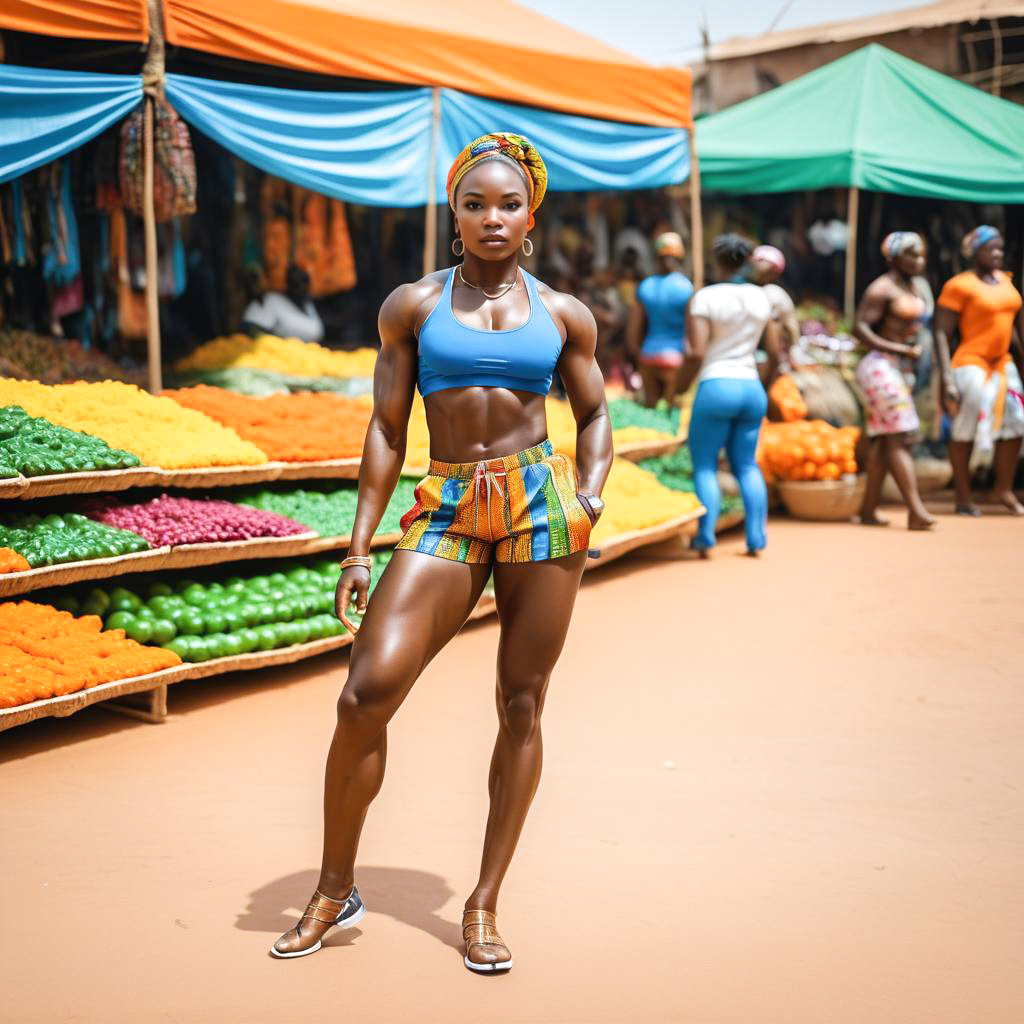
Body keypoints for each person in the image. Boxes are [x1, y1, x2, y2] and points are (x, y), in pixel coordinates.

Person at [270, 133, 613, 973]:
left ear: (530, 214)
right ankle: (333, 885)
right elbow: (387, 428)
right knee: (365, 692)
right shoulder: (413, 307)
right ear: (453, 214)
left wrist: (591, 497)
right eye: (474, 203)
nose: (492, 218)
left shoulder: (565, 312)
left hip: (540, 505)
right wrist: (359, 550)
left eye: (507, 204)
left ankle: (484, 904)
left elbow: (596, 414)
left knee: (522, 704)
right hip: (449, 504)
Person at [680, 234, 779, 556]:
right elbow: (774, 352)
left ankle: (706, 536)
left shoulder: (705, 297)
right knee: (747, 465)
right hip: (752, 387)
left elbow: (696, 352)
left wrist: (679, 387)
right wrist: (763, 383)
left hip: (716, 386)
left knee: (706, 465)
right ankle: (756, 538)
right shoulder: (763, 298)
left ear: (716, 262)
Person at [934, 226, 1024, 516]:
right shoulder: (959, 285)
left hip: (1002, 363)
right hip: (970, 362)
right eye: (990, 248)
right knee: (965, 427)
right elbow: (941, 333)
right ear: (975, 252)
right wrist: (946, 377)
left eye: (1000, 248)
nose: (997, 253)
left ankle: (1003, 488)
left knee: (1017, 422)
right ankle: (963, 495)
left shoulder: (1006, 281)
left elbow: (1010, 329)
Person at [853, 232, 936, 530]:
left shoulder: (915, 287)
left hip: (901, 368)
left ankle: (868, 510)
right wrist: (897, 349)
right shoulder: (882, 289)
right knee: (899, 437)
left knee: (884, 440)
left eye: (921, 254)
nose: (918, 260)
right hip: (880, 367)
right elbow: (859, 328)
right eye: (911, 254)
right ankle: (915, 510)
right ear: (894, 257)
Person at [626, 232, 694, 407]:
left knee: (650, 408)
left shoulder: (645, 286)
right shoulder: (686, 287)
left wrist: (638, 356)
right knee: (671, 410)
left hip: (649, 354)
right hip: (676, 357)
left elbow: (633, 333)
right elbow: (691, 330)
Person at [242, 263, 325, 343]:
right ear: (288, 283)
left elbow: (317, 333)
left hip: (306, 353)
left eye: (304, 281)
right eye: (296, 282)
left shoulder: (308, 304)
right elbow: (251, 328)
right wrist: (278, 342)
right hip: (273, 352)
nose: (300, 286)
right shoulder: (271, 301)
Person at [747, 245, 799, 364]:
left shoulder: (774, 294)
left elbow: (790, 331)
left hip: (769, 357)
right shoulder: (748, 291)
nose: (759, 267)